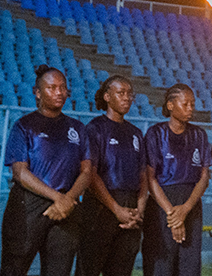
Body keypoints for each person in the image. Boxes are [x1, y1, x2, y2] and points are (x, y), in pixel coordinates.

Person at [0, 65, 92, 276]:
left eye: (62, 88)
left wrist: (67, 199)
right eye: (52, 87)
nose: (59, 92)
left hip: (67, 207)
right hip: (28, 205)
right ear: (38, 92)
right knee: (14, 268)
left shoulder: (77, 128)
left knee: (59, 270)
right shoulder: (24, 126)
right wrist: (57, 198)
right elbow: (20, 172)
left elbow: (86, 171)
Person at [78, 75, 148, 276]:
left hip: (131, 209)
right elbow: (91, 173)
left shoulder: (135, 132)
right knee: (89, 268)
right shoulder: (95, 129)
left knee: (122, 269)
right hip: (102, 207)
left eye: (129, 93)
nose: (127, 98)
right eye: (121, 93)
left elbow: (143, 173)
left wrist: (140, 208)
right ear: (107, 96)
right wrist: (116, 208)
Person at [144, 84, 211, 276]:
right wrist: (173, 215)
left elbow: (204, 176)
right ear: (171, 105)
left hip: (190, 204)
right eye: (185, 104)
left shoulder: (199, 134)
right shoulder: (155, 134)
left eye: (192, 104)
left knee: (189, 267)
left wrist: (186, 209)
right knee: (161, 266)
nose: (190, 109)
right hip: (162, 204)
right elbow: (150, 178)